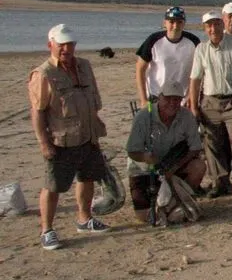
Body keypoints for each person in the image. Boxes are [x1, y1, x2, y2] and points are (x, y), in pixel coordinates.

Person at [29, 24, 111, 250]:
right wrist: (43, 142)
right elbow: (37, 111)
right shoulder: (44, 73)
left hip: (88, 135)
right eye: (61, 44)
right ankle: (47, 230)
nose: (66, 48)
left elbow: (92, 97)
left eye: (70, 44)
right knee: (53, 185)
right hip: (61, 139)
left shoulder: (84, 66)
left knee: (88, 178)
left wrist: (96, 121)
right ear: (51, 45)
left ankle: (84, 219)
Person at [189, 10, 232, 197]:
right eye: (209, 25)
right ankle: (221, 183)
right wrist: (194, 106)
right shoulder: (201, 49)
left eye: (216, 24)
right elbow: (195, 79)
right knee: (212, 144)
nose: (213, 28)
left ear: (222, 25)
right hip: (210, 102)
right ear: (205, 28)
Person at [126, 80, 206, 222]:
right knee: (144, 217)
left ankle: (173, 203)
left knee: (199, 166)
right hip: (144, 169)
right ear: (159, 98)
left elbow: (195, 148)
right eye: (168, 99)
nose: (172, 103)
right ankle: (171, 207)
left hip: (171, 167)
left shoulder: (187, 116)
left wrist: (173, 168)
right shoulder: (143, 117)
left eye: (176, 99)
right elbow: (132, 151)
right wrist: (146, 157)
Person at [134, 6, 200, 108]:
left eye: (179, 22)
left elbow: (198, 72)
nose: (175, 26)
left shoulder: (193, 42)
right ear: (165, 23)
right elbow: (140, 69)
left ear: (184, 23)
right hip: (156, 96)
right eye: (172, 22)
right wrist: (143, 100)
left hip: (182, 98)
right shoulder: (153, 40)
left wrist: (191, 96)